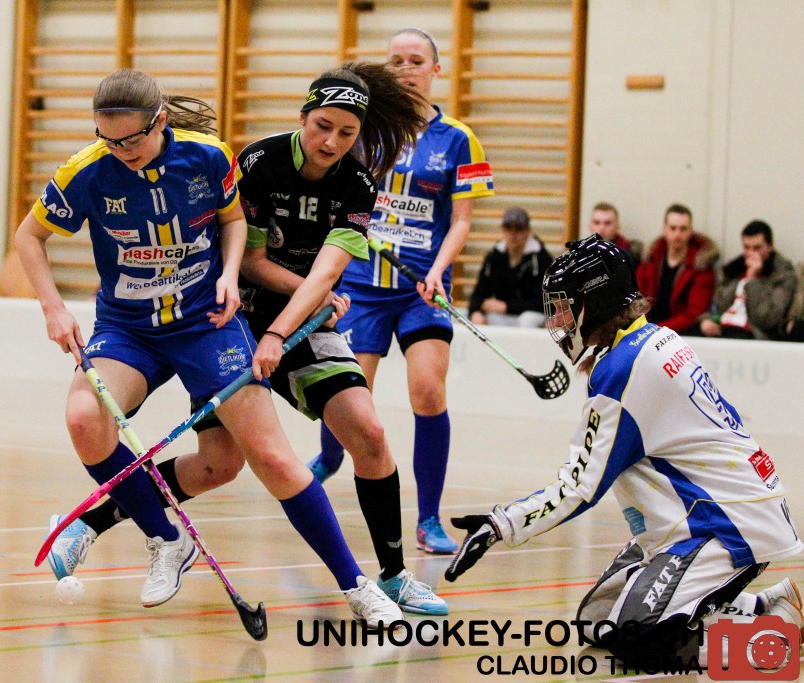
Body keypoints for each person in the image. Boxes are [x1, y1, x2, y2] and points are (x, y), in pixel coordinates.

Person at [45, 63, 450, 616]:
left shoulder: (357, 184)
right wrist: (294, 308)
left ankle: (394, 576)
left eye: (346, 133)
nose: (331, 142)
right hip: (232, 321)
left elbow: (327, 273)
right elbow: (251, 261)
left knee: (370, 433)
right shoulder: (257, 162)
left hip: (299, 324)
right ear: (302, 116)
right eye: (322, 126)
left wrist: (294, 319)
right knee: (219, 464)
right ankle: (104, 520)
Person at [443, 234, 802, 669]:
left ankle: (777, 639)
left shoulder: (624, 369)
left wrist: (500, 524)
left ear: (593, 304)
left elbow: (580, 488)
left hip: (724, 524)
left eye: (564, 307)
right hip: (701, 516)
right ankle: (763, 605)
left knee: (641, 643)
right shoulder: (650, 339)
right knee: (597, 622)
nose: (557, 321)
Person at [309, 27, 495, 556]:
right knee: (348, 396)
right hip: (363, 285)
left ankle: (429, 518)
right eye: (396, 61)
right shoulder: (361, 131)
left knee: (428, 391)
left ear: (437, 70)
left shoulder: (458, 138)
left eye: (416, 60)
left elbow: (461, 220)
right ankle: (329, 458)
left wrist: (438, 270)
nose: (406, 69)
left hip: (421, 287)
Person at [698, 220, 796, 340]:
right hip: (723, 328)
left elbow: (767, 320)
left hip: (751, 334)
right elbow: (717, 306)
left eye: (757, 248)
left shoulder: (782, 275)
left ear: (770, 247)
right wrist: (706, 320)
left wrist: (752, 280)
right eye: (746, 248)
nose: (751, 253)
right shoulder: (733, 270)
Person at [636, 204, 717, 335]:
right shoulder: (651, 258)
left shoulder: (701, 266)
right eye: (673, 228)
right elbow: (637, 296)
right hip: (647, 328)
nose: (678, 234)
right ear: (664, 230)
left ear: (691, 231)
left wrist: (655, 330)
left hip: (682, 333)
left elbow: (695, 313)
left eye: (683, 229)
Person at [468, 206, 552, 327]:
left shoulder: (541, 259)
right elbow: (479, 291)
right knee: (472, 317)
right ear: (502, 230)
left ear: (527, 231)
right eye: (508, 228)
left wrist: (506, 307)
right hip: (505, 315)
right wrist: (475, 311)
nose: (513, 234)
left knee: (527, 320)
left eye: (518, 228)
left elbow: (544, 302)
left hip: (532, 314)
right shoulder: (494, 256)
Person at [588, 201, 641, 271]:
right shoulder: (581, 252)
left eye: (607, 223)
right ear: (590, 226)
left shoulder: (628, 254)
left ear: (617, 226)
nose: (602, 228)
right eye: (597, 223)